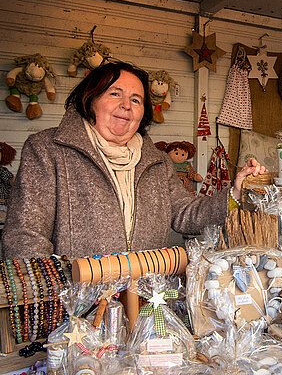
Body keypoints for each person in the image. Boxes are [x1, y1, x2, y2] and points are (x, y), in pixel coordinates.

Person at [2, 61, 266, 259]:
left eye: (136, 99)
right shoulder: (48, 150)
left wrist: (235, 191)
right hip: (77, 309)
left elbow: (186, 213)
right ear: (91, 99)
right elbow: (26, 236)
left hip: (147, 302)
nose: (127, 105)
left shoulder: (157, 161)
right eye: (115, 94)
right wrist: (54, 304)